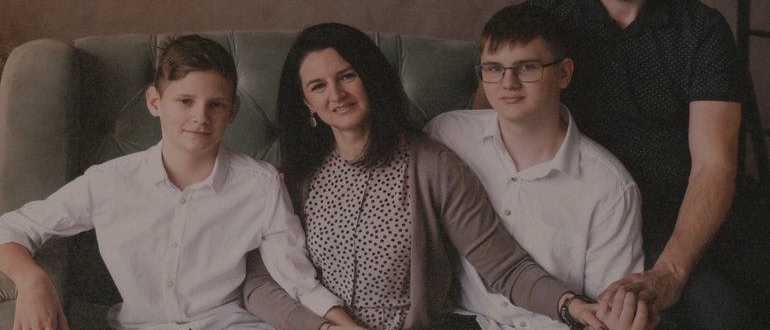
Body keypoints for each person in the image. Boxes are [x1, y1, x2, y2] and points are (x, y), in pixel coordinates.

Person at [475, 0, 749, 328]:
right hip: (567, 213)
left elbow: (714, 165)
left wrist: (671, 272)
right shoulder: (544, 17)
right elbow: (485, 120)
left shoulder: (701, 30)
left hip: (670, 221)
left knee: (720, 313)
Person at [241, 22, 620, 330]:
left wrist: (571, 306)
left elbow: (505, 267)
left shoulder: (432, 166)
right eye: (318, 86)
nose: (336, 94)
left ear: (370, 78)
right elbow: (259, 283)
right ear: (306, 101)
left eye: (347, 76)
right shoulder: (296, 176)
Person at [0, 35, 361, 330]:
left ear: (233, 110)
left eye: (216, 104)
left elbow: (296, 279)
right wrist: (31, 278)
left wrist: (345, 325)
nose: (201, 117)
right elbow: (3, 231)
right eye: (185, 101)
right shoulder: (110, 182)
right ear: (155, 102)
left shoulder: (260, 185)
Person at [426, 3, 647, 330]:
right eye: (494, 68)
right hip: (458, 322)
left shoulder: (609, 187)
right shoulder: (446, 135)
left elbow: (607, 313)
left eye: (527, 67)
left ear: (564, 74)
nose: (508, 83)